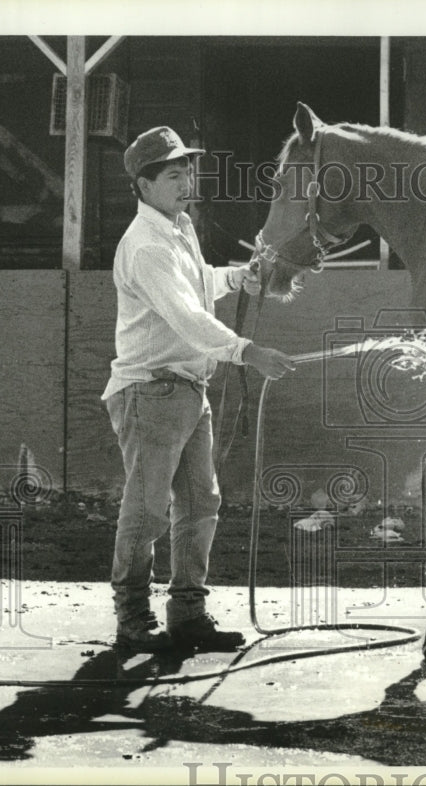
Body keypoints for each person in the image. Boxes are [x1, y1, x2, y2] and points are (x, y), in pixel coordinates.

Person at [101, 125, 295, 653]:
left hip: (185, 388)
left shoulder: (177, 227)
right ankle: (133, 619)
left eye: (187, 170)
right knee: (147, 510)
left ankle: (188, 615)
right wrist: (246, 350)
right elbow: (186, 315)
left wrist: (234, 278)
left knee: (200, 502)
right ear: (142, 185)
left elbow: (196, 284)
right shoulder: (143, 245)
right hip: (150, 392)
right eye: (172, 174)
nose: (186, 181)